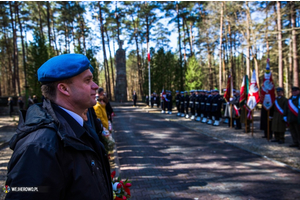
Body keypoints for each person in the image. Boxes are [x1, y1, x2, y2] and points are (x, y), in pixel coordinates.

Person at [5, 54, 113, 200]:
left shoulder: (77, 128)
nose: (95, 86)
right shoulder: (40, 146)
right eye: (88, 80)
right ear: (64, 89)